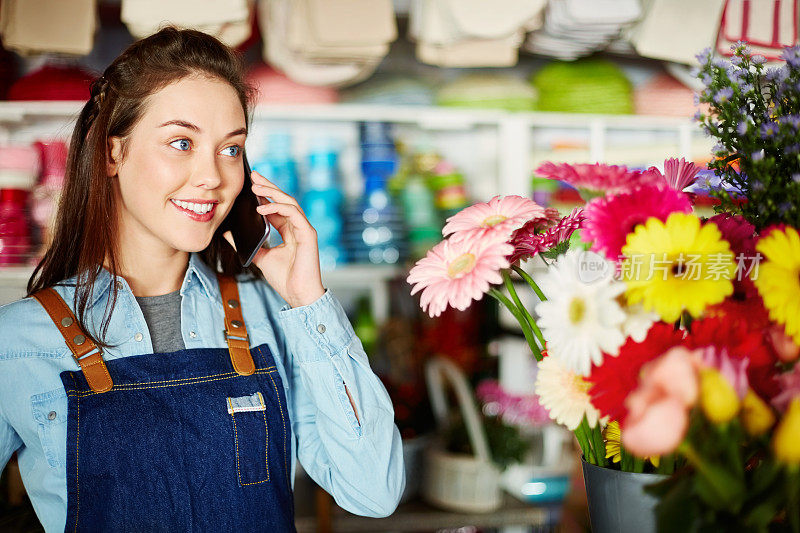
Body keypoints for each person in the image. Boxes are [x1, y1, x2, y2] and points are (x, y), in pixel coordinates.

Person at [0, 27, 404, 532]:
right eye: (181, 142)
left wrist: (308, 300)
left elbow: (374, 491)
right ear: (112, 153)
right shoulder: (16, 341)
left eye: (231, 149)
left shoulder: (276, 316)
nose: (212, 176)